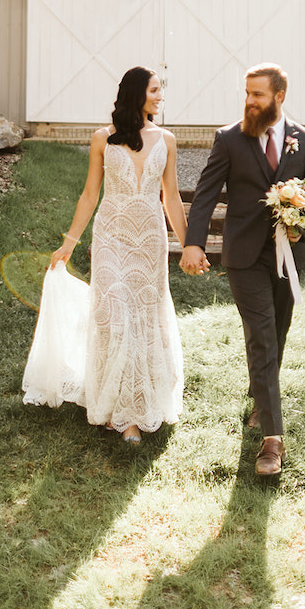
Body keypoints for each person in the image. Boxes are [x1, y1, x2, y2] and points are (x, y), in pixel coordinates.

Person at [181, 63, 305, 477]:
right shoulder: (229, 139)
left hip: (287, 255)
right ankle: (272, 442)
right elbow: (206, 194)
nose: (249, 101)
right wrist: (193, 242)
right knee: (261, 335)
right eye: (246, 93)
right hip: (243, 254)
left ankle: (262, 396)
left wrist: (303, 225)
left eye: (257, 94)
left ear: (279, 96)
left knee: (277, 331)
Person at [36, 66, 189, 444]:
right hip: (111, 236)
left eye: (160, 91)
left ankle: (139, 403)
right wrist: (69, 243)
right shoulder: (102, 139)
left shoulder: (167, 140)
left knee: (143, 317)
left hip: (149, 239)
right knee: (114, 315)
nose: (160, 96)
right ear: (137, 93)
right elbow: (90, 194)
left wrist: (189, 245)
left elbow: (170, 198)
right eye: (154, 90)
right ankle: (119, 414)